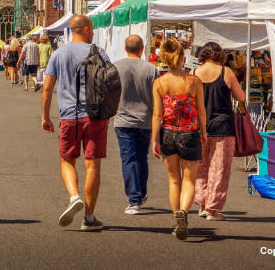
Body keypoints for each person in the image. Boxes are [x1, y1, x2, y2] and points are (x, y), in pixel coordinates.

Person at [40, 15, 108, 232]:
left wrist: (45, 116)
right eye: (93, 29)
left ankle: (74, 196)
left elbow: (47, 88)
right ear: (86, 30)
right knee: (93, 165)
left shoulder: (58, 54)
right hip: (95, 116)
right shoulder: (99, 52)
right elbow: (111, 83)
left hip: (69, 116)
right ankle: (89, 217)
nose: (94, 32)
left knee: (67, 160)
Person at [150, 38, 206, 240]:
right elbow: (201, 111)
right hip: (189, 133)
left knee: (174, 180)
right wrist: (204, 131)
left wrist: (154, 139)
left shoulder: (159, 83)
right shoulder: (194, 82)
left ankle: (177, 219)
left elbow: (157, 114)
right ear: (183, 59)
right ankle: (184, 211)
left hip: (168, 133)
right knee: (189, 180)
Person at [193, 42, 246, 221]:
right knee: (219, 169)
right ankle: (212, 209)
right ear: (219, 55)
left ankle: (201, 204)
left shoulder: (193, 73)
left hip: (198, 127)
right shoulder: (226, 72)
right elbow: (241, 97)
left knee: (200, 167)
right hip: (223, 127)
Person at [113, 35, 159, 215]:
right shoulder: (151, 69)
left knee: (129, 159)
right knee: (141, 158)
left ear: (125, 48)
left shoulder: (116, 67)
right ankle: (140, 193)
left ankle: (134, 199)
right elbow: (157, 98)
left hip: (123, 118)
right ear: (142, 48)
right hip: (145, 119)